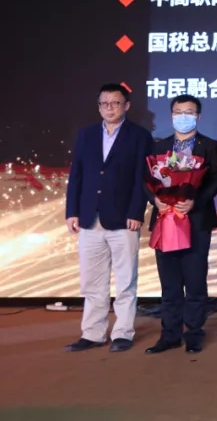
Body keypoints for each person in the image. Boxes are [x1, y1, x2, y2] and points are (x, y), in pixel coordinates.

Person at [63, 84, 153, 353]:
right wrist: (72, 211)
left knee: (125, 281)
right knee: (92, 282)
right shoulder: (87, 134)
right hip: (90, 217)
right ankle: (93, 333)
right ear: (99, 106)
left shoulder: (140, 136)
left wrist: (136, 212)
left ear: (127, 106)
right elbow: (77, 175)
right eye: (104, 103)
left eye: (115, 103)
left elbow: (143, 178)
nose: (109, 108)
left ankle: (123, 332)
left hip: (124, 219)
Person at [145, 94, 217, 355]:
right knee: (169, 282)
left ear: (198, 116)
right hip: (165, 219)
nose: (183, 116)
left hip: (196, 220)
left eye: (189, 112)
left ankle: (194, 333)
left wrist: (194, 202)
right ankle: (169, 334)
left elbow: (216, 181)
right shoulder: (158, 146)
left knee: (195, 280)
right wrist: (156, 200)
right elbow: (145, 180)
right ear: (171, 115)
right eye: (178, 112)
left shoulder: (210, 146)